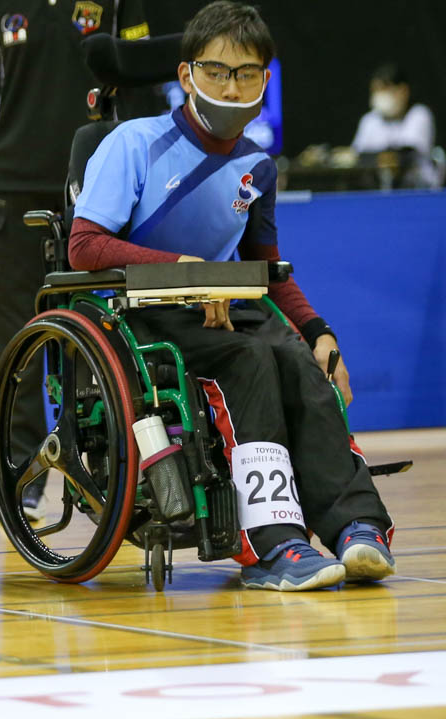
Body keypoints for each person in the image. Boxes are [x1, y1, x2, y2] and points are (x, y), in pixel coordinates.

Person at [67, 0, 395, 591]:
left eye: (246, 74)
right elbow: (85, 247)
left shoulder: (256, 165)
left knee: (298, 360)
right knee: (250, 362)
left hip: (224, 308)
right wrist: (185, 272)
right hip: (142, 317)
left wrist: (318, 330)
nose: (231, 84)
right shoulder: (131, 143)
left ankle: (357, 527)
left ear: (263, 81)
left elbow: (265, 268)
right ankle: (274, 546)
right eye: (217, 70)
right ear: (188, 74)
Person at [0, 0, 152, 521]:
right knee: (16, 338)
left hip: (99, 178)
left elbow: (137, 73)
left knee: (108, 329)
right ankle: (23, 472)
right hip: (9, 183)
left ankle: (115, 466)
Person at [348, 63, 441, 189]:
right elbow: (357, 156)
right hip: (376, 188)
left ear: (403, 90)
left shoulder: (419, 114)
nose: (379, 95)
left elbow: (407, 155)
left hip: (418, 188)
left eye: (384, 89)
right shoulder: (369, 120)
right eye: (375, 90)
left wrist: (379, 158)